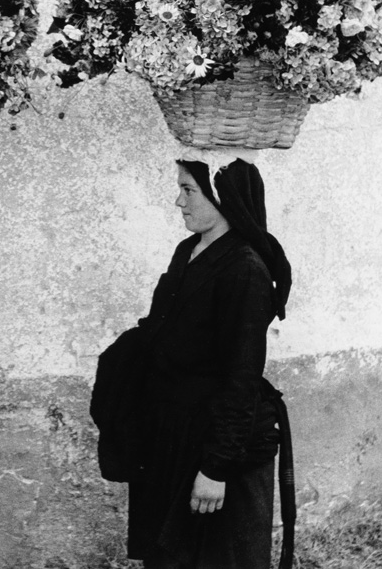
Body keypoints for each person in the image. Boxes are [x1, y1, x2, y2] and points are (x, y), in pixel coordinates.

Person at [105, 158, 293, 569]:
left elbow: (241, 376)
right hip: (173, 435)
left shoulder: (245, 269)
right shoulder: (189, 250)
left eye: (189, 190)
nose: (178, 201)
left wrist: (215, 470)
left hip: (218, 446)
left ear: (221, 198)